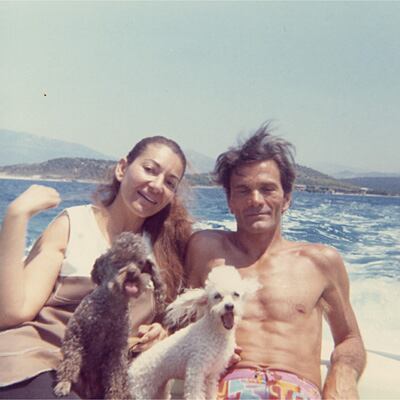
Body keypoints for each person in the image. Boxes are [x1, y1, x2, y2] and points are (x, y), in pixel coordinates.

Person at [0, 135, 192, 399]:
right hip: (41, 364)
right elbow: (13, 312)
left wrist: (161, 334)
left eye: (170, 182)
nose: (157, 185)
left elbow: (164, 322)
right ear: (122, 168)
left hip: (101, 384)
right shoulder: (74, 224)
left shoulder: (162, 253)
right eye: (149, 169)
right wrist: (16, 216)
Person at [186, 124, 366, 399]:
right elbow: (178, 320)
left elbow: (350, 339)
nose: (255, 200)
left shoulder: (320, 262)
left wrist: (342, 371)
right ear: (230, 201)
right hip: (226, 388)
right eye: (243, 190)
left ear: (287, 198)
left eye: (267, 189)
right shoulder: (206, 249)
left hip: (297, 390)